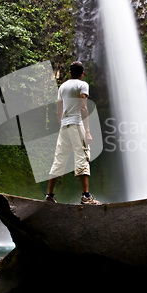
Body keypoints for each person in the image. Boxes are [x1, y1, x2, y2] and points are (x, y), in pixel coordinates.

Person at [45, 61, 100, 205]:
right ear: (82, 74)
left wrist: (63, 124)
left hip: (64, 126)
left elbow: (58, 111)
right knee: (82, 156)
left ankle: (49, 196)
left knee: (59, 158)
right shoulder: (82, 85)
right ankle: (86, 196)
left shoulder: (62, 87)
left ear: (70, 73)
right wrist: (87, 131)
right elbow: (83, 108)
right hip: (76, 124)